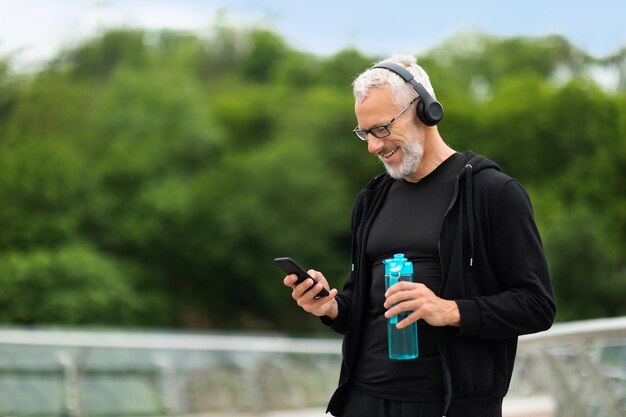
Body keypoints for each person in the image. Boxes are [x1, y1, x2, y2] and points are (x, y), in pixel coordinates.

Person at [283, 55, 556, 417]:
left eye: (381, 129)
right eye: (364, 133)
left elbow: (537, 306)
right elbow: (359, 308)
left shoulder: (494, 192)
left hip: (448, 406)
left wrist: (449, 310)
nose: (373, 146)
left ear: (425, 110)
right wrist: (331, 307)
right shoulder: (372, 198)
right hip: (363, 400)